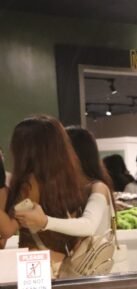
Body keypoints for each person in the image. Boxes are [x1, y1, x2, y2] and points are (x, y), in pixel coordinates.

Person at [14, 127, 115, 277]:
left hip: (95, 272)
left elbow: (89, 225)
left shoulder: (98, 188)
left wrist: (45, 222)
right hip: (80, 273)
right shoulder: (71, 193)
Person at [2, 116, 89, 271]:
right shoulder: (69, 180)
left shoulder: (28, 185)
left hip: (35, 263)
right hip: (63, 260)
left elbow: (8, 229)